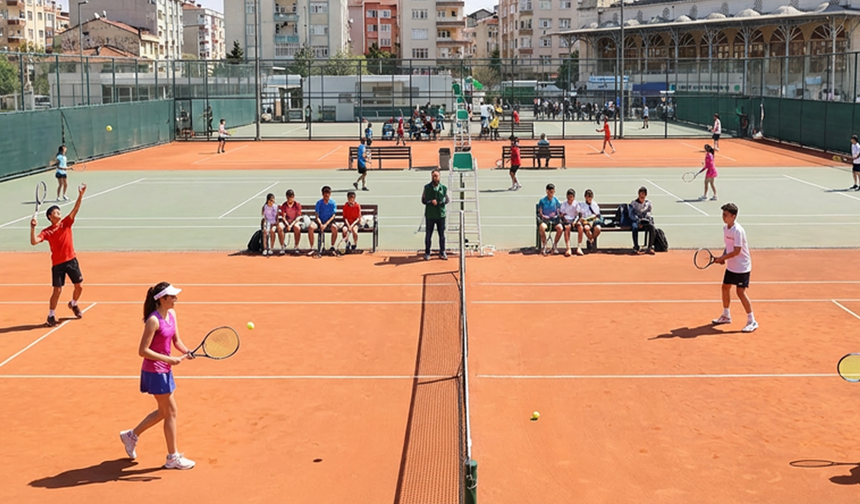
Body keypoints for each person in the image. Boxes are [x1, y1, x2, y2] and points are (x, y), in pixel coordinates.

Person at [119, 282, 196, 470]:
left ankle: (131, 435)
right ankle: (172, 457)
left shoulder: (172, 315)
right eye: (172, 296)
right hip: (154, 371)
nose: (176, 299)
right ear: (162, 299)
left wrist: (187, 351)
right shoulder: (153, 320)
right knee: (171, 412)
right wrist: (169, 359)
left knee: (164, 412)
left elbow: (176, 340)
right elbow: (142, 350)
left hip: (165, 370)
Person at [30, 183, 87, 327]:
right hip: (58, 264)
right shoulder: (46, 232)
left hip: (71, 260)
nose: (58, 213)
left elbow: (76, 209)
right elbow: (34, 242)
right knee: (57, 290)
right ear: (50, 216)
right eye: (55, 212)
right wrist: (32, 228)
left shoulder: (66, 223)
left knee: (79, 286)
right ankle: (51, 315)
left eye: (59, 211)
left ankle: (73, 304)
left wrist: (80, 195)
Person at [712, 203, 758, 333]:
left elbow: (737, 251)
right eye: (723, 214)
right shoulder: (726, 229)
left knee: (740, 292)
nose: (723, 217)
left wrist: (723, 259)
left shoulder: (738, 231)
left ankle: (752, 320)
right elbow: (729, 246)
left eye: (726, 215)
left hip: (742, 267)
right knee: (725, 287)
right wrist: (723, 256)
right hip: (731, 266)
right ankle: (726, 315)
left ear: (733, 216)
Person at [421, 169, 449, 261]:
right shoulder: (427, 188)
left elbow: (447, 199)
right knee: (428, 234)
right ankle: (427, 252)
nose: (435, 177)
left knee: (442, 235)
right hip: (430, 215)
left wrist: (441, 202)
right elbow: (423, 200)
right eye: (433, 176)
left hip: (441, 215)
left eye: (436, 176)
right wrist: (430, 201)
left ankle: (442, 252)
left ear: (439, 177)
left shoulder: (444, 188)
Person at [309, 186, 337, 255]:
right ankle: (312, 248)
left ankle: (332, 247)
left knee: (335, 228)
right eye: (325, 193)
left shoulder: (333, 203)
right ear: (322, 194)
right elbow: (317, 215)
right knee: (311, 227)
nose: (326, 195)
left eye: (328, 193)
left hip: (329, 222)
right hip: (319, 221)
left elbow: (333, 216)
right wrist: (321, 224)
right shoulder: (319, 203)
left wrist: (325, 224)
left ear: (330, 194)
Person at [537, 183, 563, 255]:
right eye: (550, 192)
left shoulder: (556, 200)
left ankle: (554, 246)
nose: (551, 193)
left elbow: (558, 210)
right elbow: (540, 213)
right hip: (545, 221)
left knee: (560, 228)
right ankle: (544, 246)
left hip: (554, 220)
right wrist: (544, 216)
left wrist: (556, 214)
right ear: (547, 191)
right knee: (542, 227)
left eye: (553, 192)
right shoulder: (542, 201)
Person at [629, 186, 654, 254]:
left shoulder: (648, 203)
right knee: (634, 227)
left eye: (643, 194)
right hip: (636, 221)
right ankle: (636, 247)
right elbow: (631, 214)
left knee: (652, 227)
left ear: (646, 195)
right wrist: (638, 221)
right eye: (641, 194)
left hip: (645, 221)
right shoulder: (633, 203)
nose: (642, 196)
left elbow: (649, 212)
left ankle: (649, 247)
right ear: (638, 194)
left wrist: (646, 218)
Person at [279, 189, 303, 254]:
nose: (290, 198)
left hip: (295, 222)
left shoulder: (297, 205)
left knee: (297, 227)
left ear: (294, 197)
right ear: (286, 197)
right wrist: (287, 225)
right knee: (280, 227)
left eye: (292, 197)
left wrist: (291, 225)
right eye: (289, 197)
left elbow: (298, 217)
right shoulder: (284, 205)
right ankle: (282, 247)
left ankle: (296, 246)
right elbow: (283, 217)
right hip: (286, 222)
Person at [559, 188, 581, 256]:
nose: (570, 199)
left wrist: (575, 221)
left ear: (574, 197)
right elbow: (561, 214)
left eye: (571, 197)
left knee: (580, 227)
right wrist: (564, 218)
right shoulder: (564, 204)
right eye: (568, 197)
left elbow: (578, 214)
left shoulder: (576, 204)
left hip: (574, 220)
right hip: (566, 221)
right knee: (567, 228)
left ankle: (579, 247)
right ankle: (568, 248)